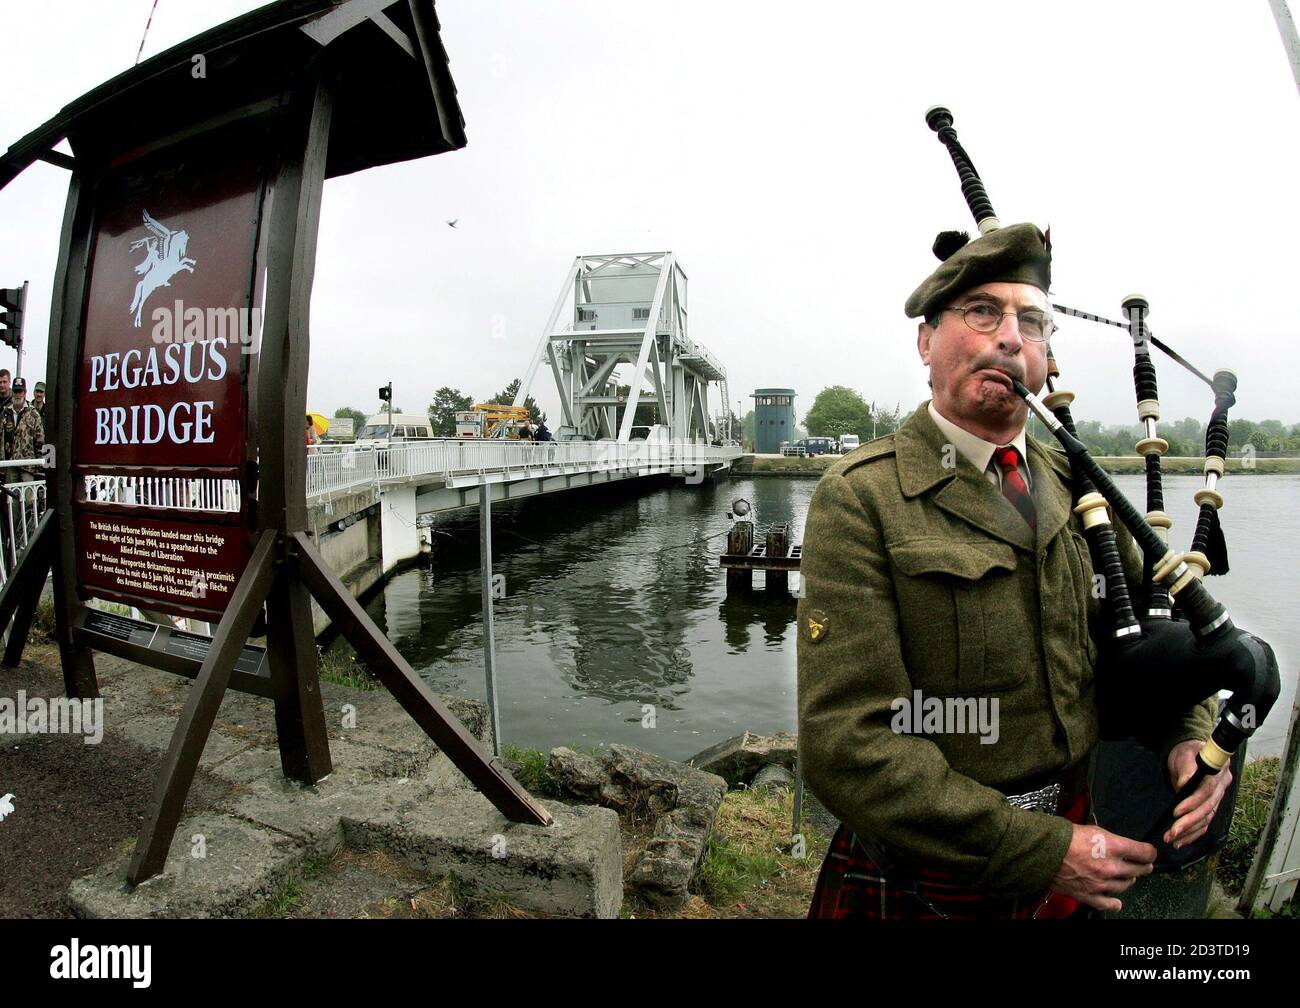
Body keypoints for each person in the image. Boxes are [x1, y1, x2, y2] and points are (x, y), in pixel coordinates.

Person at [796, 222, 1224, 919]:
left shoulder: (1081, 483)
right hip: (931, 875)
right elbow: (850, 743)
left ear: (1046, 355)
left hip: (1079, 852)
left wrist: (1189, 734)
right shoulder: (862, 497)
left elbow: (1162, 625)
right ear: (926, 340)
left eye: (1032, 321)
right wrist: (1042, 850)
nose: (1009, 337)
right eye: (982, 312)